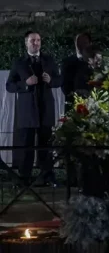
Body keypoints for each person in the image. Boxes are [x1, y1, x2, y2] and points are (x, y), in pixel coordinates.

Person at [5, 31, 62, 186]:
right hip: (27, 110)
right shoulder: (19, 62)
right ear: (26, 43)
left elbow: (59, 80)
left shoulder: (49, 60)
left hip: (46, 108)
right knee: (26, 146)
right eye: (32, 40)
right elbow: (9, 86)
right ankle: (24, 179)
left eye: (38, 40)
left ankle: (48, 178)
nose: (35, 43)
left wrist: (51, 80)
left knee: (46, 145)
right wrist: (25, 84)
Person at [61, 33, 92, 110]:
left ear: (90, 44)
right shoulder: (67, 62)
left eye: (84, 43)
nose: (81, 46)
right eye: (78, 43)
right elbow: (64, 85)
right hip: (73, 105)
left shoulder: (96, 62)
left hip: (93, 104)